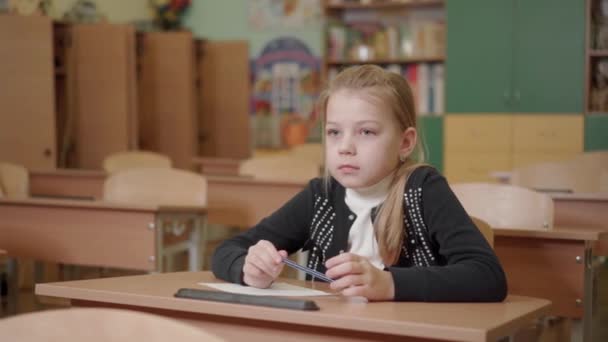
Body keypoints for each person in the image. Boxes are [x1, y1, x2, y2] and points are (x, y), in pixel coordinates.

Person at [212, 65, 507, 302]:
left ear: (405, 143)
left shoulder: (423, 189)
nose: (345, 147)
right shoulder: (322, 195)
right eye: (334, 132)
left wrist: (389, 284)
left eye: (366, 132)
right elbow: (229, 250)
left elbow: (487, 276)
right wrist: (249, 269)